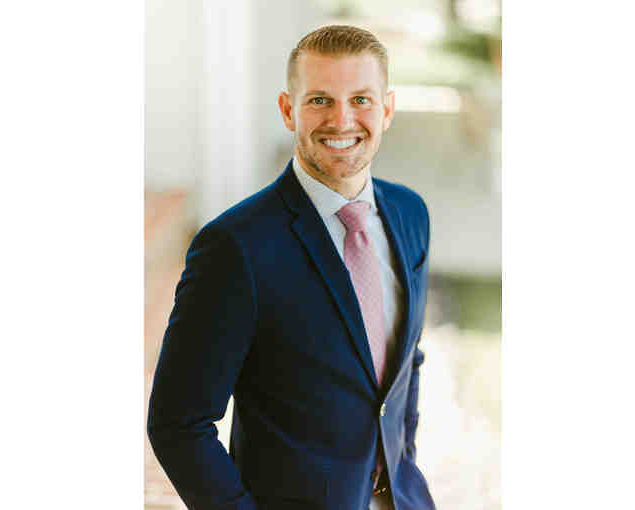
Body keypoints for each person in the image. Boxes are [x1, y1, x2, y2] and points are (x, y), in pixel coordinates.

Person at [148, 25, 436, 510]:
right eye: (320, 100)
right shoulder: (235, 247)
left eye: (361, 100)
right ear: (288, 110)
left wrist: (402, 464)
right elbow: (178, 423)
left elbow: (408, 363)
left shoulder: (411, 215)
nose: (342, 120)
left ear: (386, 110)